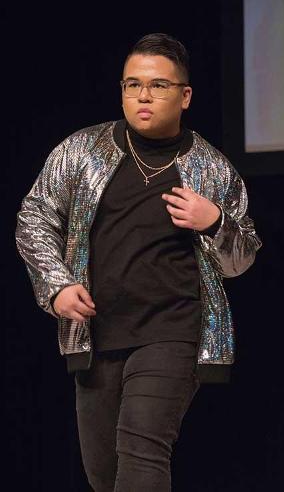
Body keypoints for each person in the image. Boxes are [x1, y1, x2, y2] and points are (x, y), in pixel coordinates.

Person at [15, 33, 262, 492]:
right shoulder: (81, 151)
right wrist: (57, 286)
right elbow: (34, 218)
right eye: (132, 85)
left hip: (173, 330)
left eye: (159, 85)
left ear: (185, 96)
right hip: (97, 332)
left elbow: (241, 258)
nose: (143, 96)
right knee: (104, 474)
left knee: (142, 449)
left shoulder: (211, 168)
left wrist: (214, 222)